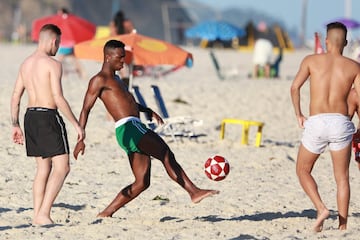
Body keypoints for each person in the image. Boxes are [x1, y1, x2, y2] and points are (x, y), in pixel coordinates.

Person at [73, 40, 219, 218]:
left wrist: (147, 110)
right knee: (165, 152)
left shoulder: (117, 79)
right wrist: (81, 138)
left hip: (132, 127)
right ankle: (193, 191)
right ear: (108, 57)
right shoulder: (99, 80)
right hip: (129, 127)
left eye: (124, 58)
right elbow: (85, 109)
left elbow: (129, 102)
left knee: (142, 182)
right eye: (120, 58)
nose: (123, 62)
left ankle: (106, 213)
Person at [10, 24, 85, 225]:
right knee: (63, 167)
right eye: (58, 44)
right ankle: (43, 213)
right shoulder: (53, 64)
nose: (58, 48)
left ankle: (37, 215)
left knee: (43, 168)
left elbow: (16, 95)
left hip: (29, 117)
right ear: (53, 41)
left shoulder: (26, 64)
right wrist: (77, 125)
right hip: (48, 116)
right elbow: (58, 98)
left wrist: (15, 124)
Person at [290, 21, 360, 232]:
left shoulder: (311, 60)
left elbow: (295, 88)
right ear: (346, 42)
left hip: (317, 121)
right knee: (342, 178)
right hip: (341, 122)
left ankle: (321, 208)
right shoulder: (354, 67)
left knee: (303, 170)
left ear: (326, 40)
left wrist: (299, 114)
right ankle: (342, 225)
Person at [56, 7, 85, 79]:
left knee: (60, 61)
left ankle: (63, 74)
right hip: (70, 44)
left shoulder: (63, 20)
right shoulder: (71, 20)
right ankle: (81, 73)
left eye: (59, 12)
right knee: (74, 60)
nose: (58, 14)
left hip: (65, 44)